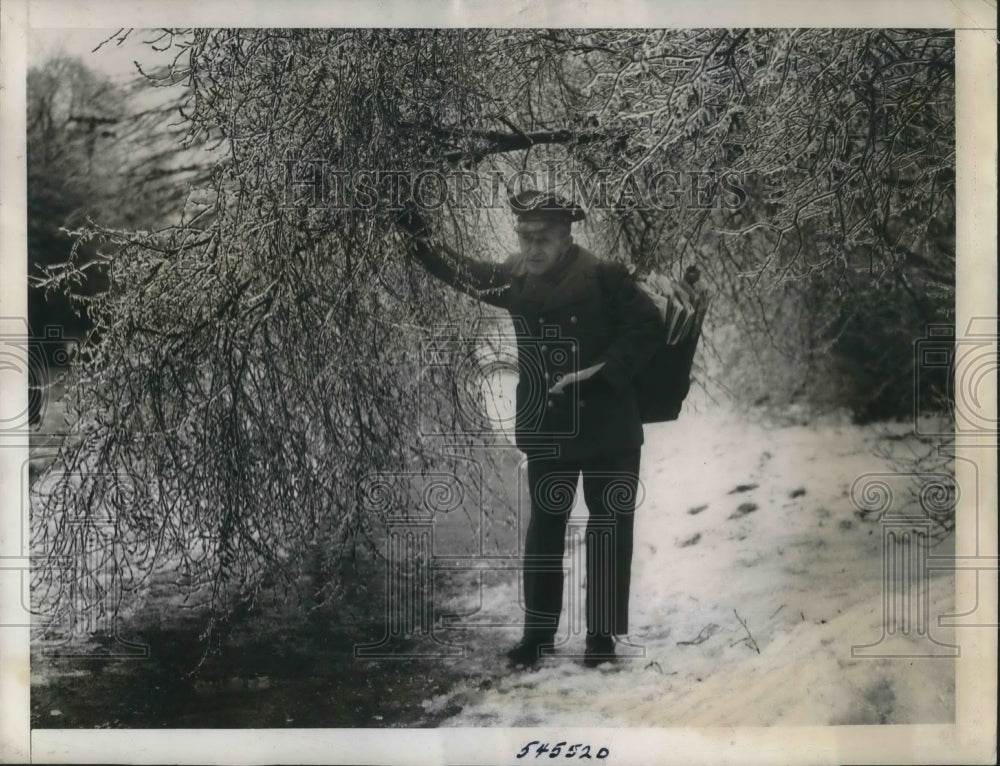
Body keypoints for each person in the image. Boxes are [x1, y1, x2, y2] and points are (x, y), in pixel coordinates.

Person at [401, 190, 662, 668]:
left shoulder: (605, 277)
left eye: (543, 239)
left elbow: (647, 328)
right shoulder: (514, 279)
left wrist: (600, 372)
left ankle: (601, 638)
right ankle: (537, 637)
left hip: (609, 424)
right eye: (525, 238)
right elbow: (458, 271)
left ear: (566, 239)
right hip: (548, 425)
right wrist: (412, 231)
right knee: (545, 531)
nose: (532, 248)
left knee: (608, 528)